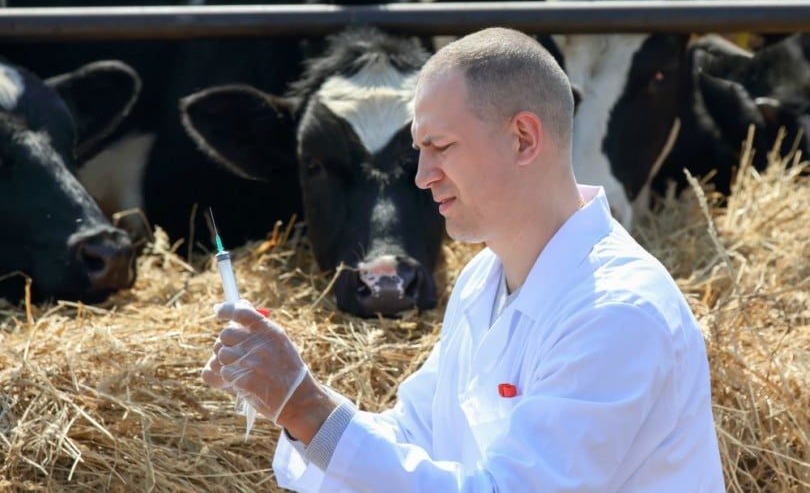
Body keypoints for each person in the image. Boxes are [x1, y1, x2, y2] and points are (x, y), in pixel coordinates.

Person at [201, 27, 726, 492]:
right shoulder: (483, 279)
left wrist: (306, 407)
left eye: (440, 146)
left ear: (523, 138)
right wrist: (290, 400)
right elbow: (412, 435)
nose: (422, 174)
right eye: (419, 150)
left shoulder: (616, 314)